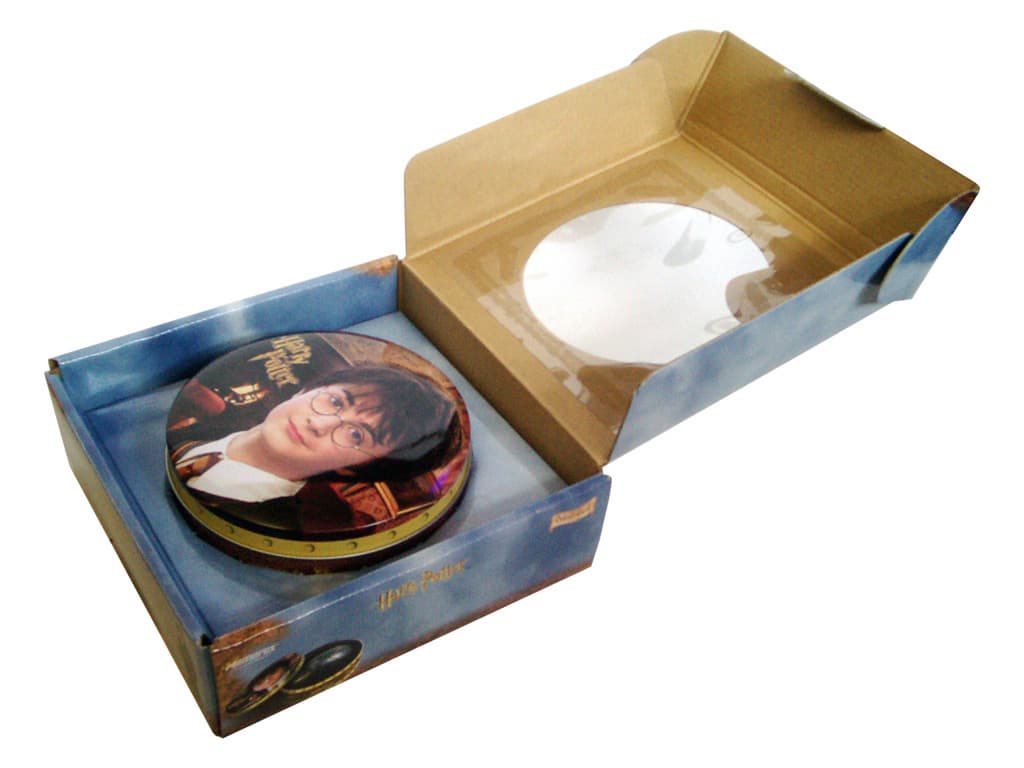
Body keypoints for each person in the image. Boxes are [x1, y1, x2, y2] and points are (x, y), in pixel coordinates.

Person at [169, 364, 458, 535]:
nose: (319, 424)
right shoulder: (203, 415)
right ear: (305, 390)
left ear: (354, 470)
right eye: (336, 401)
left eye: (356, 435)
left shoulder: (276, 524)